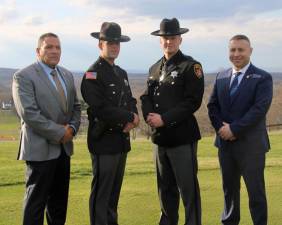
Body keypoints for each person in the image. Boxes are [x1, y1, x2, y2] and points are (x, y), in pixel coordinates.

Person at [12, 32, 81, 225]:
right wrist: (61, 133)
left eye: (57, 47)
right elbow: (29, 113)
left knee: (59, 205)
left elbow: (76, 107)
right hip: (39, 150)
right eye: (48, 47)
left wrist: (73, 129)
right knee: (35, 204)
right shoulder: (23, 76)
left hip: (63, 151)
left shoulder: (66, 74)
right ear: (38, 51)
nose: (54, 51)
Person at [140, 18, 204, 225]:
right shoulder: (154, 68)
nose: (169, 42)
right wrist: (149, 116)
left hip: (182, 138)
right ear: (160, 41)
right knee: (165, 188)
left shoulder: (190, 66)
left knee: (188, 189)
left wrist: (164, 119)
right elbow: (146, 97)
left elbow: (192, 102)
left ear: (180, 40)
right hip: (159, 140)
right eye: (165, 38)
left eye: (173, 38)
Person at [207, 34, 273, 225]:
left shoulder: (263, 78)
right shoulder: (221, 77)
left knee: (256, 193)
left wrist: (234, 129)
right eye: (232, 50)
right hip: (225, 146)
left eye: (240, 50)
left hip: (251, 147)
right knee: (229, 191)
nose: (236, 54)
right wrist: (221, 129)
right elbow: (212, 107)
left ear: (250, 51)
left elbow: (259, 110)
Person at [80, 22, 139, 225]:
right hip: (103, 141)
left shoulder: (121, 73)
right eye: (110, 43)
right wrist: (129, 117)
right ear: (100, 45)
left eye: (117, 43)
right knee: (102, 193)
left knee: (114, 193)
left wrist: (135, 115)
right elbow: (101, 108)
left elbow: (130, 100)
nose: (114, 47)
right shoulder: (92, 74)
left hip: (120, 140)